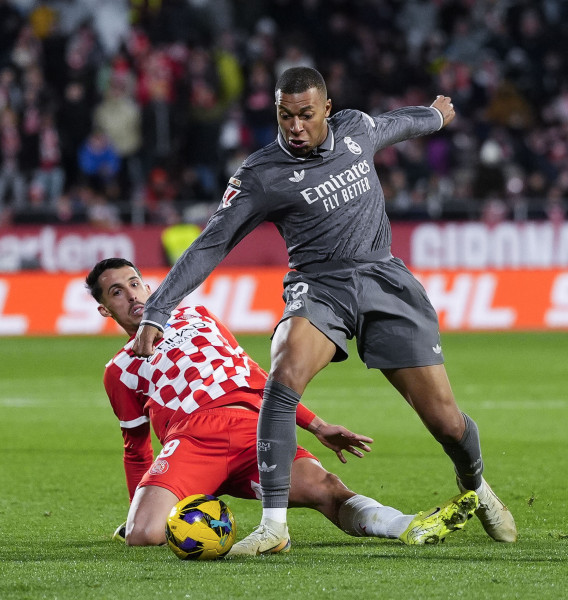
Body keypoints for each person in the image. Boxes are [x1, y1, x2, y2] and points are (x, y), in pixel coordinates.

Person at [131, 67, 517, 554]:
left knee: (445, 422)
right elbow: (211, 245)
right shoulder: (260, 175)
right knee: (284, 370)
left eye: (305, 115)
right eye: (285, 115)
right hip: (319, 287)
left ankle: (477, 486)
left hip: (384, 280)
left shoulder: (356, 130)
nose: (294, 126)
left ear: (327, 111)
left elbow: (397, 123)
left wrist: (435, 117)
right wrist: (157, 309)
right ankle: (274, 526)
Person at [87, 258, 479, 549]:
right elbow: (135, 449)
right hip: (191, 441)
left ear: (149, 286)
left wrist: (317, 424)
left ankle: (409, 525)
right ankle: (200, 505)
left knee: (327, 490)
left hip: (250, 430)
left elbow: (256, 376)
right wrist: (133, 508)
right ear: (106, 309)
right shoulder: (119, 369)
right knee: (143, 536)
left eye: (134, 283)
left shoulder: (197, 317)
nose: (132, 295)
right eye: (116, 292)